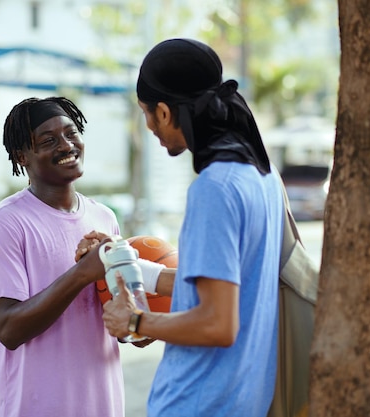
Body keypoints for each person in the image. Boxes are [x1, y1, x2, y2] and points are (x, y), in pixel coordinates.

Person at [101, 38, 285, 417]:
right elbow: (227, 285)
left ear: (165, 112)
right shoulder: (262, 177)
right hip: (244, 402)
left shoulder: (214, 189)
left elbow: (217, 323)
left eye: (147, 113)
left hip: (199, 404)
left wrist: (134, 319)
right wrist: (142, 271)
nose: (149, 126)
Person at [0, 97, 125, 417]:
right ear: (22, 157)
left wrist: (133, 285)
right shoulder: (3, 223)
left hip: (104, 407)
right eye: (48, 140)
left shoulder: (104, 217)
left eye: (72, 134)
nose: (66, 145)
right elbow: (9, 330)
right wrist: (83, 272)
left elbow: (127, 329)